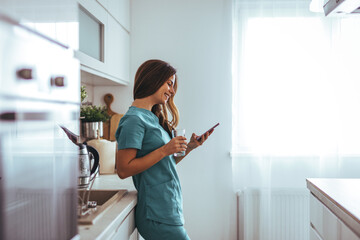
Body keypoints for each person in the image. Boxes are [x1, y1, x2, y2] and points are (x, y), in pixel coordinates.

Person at [115, 59, 213, 240]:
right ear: (153, 79)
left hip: (168, 208)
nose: (172, 90)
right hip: (156, 213)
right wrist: (164, 150)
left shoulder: (151, 117)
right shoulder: (134, 120)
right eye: (169, 83)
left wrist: (189, 147)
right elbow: (123, 169)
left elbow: (162, 162)